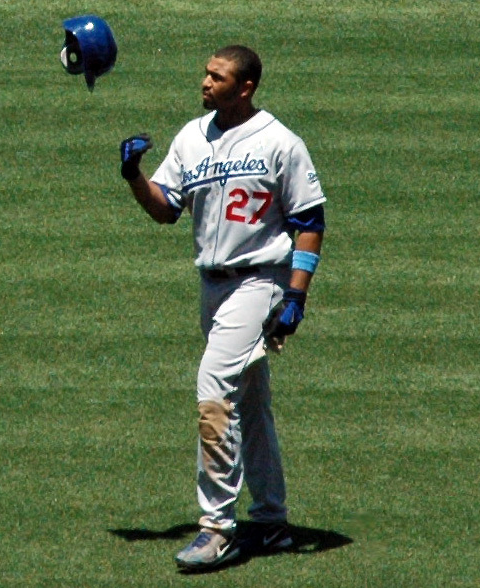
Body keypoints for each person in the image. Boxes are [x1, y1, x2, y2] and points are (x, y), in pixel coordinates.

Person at [119, 45, 326, 571]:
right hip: (213, 289)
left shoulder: (280, 142)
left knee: (213, 390)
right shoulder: (193, 135)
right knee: (250, 405)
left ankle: (216, 528)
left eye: (217, 76)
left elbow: (309, 220)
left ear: (246, 86)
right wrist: (135, 177)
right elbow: (166, 209)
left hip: (262, 281)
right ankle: (273, 522)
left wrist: (296, 295)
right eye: (206, 74)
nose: (205, 82)